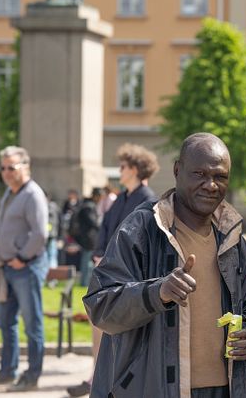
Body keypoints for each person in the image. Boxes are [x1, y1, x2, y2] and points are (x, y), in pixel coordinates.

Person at [83, 133, 246, 398]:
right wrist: (158, 292)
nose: (211, 185)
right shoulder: (142, 229)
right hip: (152, 389)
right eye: (199, 174)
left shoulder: (234, 241)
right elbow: (100, 305)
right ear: (178, 170)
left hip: (224, 390)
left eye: (220, 176)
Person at [66, 143, 159, 397]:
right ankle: (96, 375)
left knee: (119, 333)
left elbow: (140, 241)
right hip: (107, 275)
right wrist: (99, 255)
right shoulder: (121, 199)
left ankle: (109, 379)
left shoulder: (149, 200)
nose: (119, 171)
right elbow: (104, 229)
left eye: (123, 166)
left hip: (127, 280)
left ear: (136, 169)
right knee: (99, 326)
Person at [0, 146, 49, 392]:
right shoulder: (10, 193)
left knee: (33, 325)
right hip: (8, 268)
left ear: (26, 167)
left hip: (26, 268)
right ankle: (7, 371)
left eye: (12, 167)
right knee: (6, 321)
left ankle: (32, 376)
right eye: (3, 168)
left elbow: (40, 233)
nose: (6, 172)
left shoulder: (32, 194)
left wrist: (22, 257)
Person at [69, 188, 102, 287]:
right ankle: (85, 282)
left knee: (87, 261)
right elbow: (92, 222)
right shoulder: (88, 207)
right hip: (88, 239)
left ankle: (85, 282)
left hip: (86, 238)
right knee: (87, 261)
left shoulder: (85, 205)